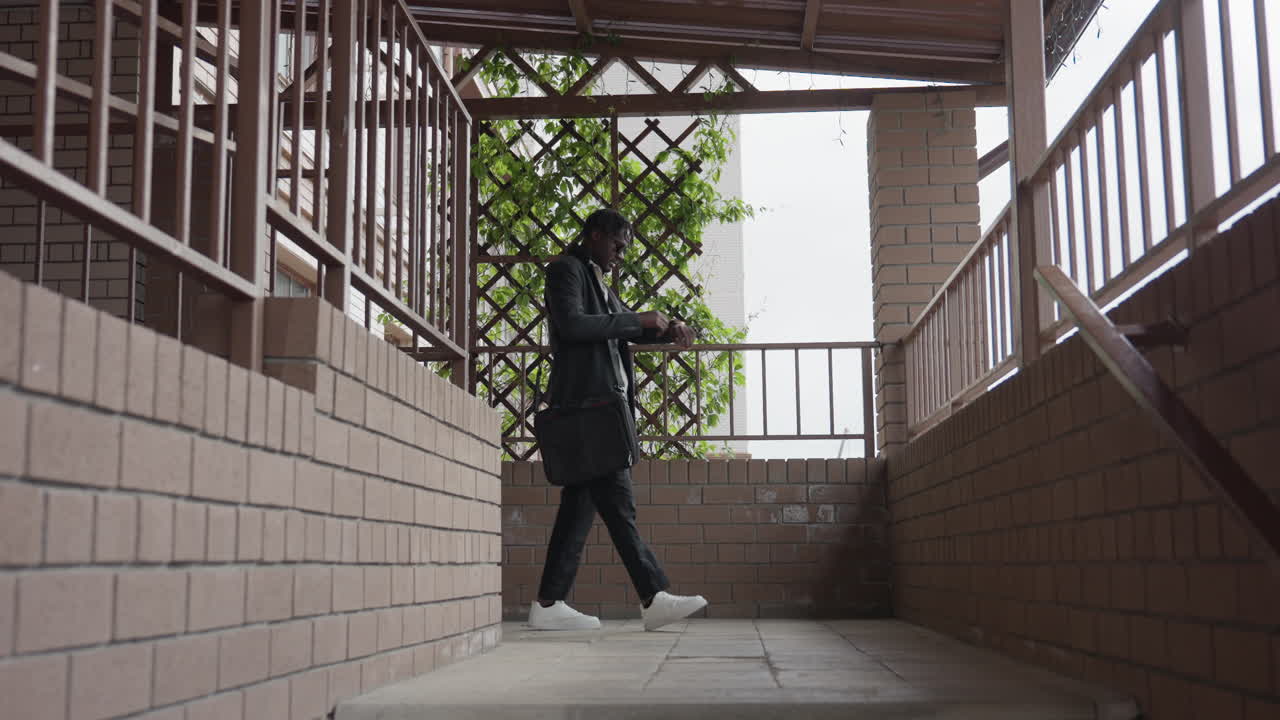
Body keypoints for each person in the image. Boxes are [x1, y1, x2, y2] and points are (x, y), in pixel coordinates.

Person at [528, 208, 707, 632]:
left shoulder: (594, 278)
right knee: (618, 504)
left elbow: (625, 326)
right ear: (594, 235)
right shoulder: (565, 270)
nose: (619, 255)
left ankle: (549, 603)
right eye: (616, 245)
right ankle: (653, 596)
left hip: (600, 410)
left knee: (580, 507)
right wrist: (635, 319)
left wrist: (668, 327)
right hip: (587, 409)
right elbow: (573, 325)